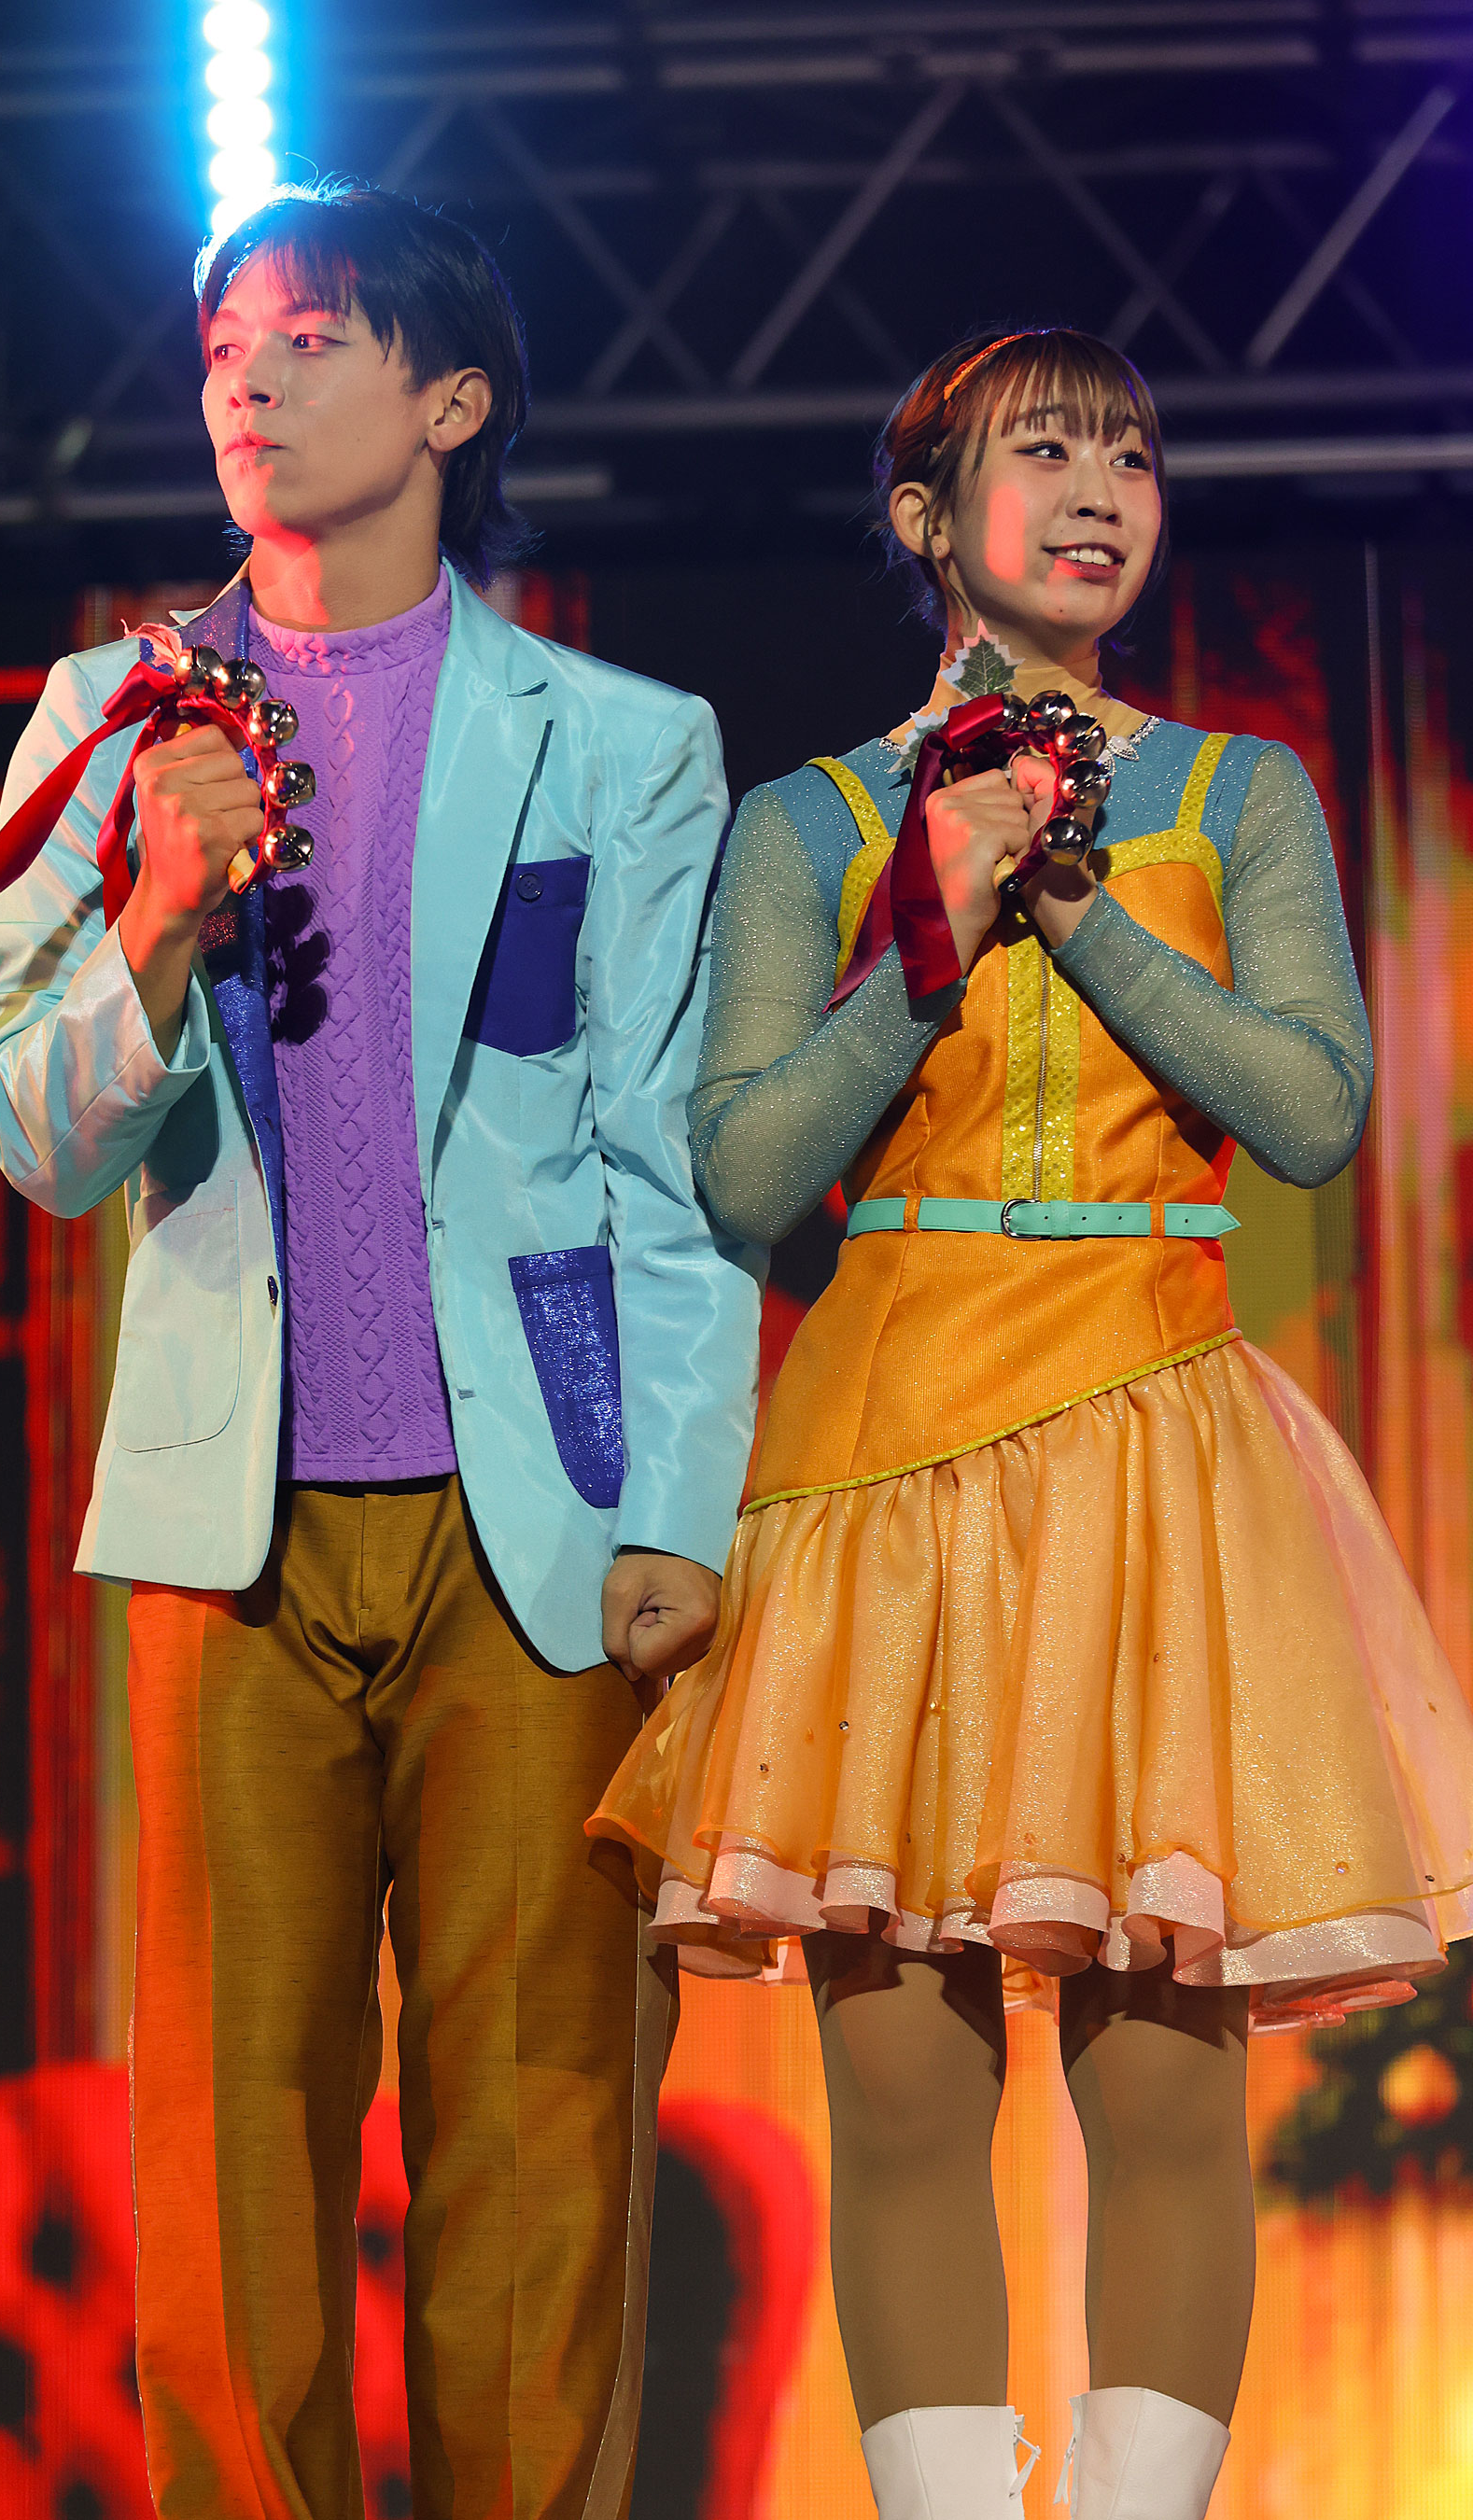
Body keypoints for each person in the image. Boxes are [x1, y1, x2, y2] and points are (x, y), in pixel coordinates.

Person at [586, 328, 1473, 2520]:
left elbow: (1313, 1111)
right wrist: (932, 921)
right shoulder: (810, 822)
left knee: (1163, 2088)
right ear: (925, 519)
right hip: (884, 1454)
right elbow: (745, 1174)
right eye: (1043, 450)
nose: (1098, 490)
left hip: (1151, 1446)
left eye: (1131, 454)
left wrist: (1074, 910)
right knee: (904, 2093)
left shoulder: (1238, 793)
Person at [0, 180, 760, 2520]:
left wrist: (675, 1512)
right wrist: (157, 912)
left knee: (543, 2130)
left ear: (449, 400)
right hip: (233, 1535)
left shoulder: (619, 743)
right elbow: (35, 1138)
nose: (249, 374)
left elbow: (665, 1165)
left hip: (533, 1539)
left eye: (311, 337)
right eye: (227, 339)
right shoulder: (108, 721)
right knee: (235, 2148)